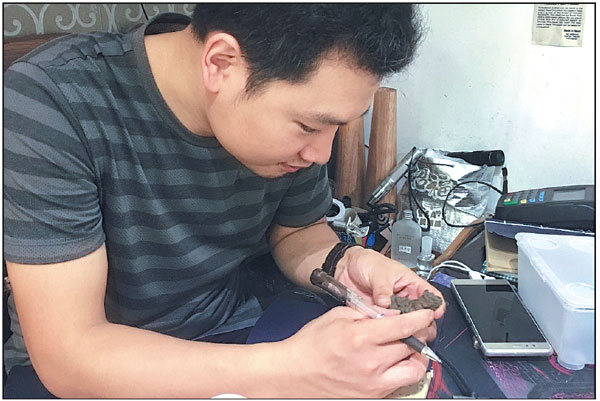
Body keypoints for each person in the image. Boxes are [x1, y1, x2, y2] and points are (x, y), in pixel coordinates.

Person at [3, 4, 445, 398]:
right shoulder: (50, 102)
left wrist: (345, 265)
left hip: (240, 335)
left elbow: (297, 231)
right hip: (92, 375)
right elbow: (70, 357)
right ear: (221, 63)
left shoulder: (292, 114)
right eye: (309, 127)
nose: (321, 155)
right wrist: (289, 369)